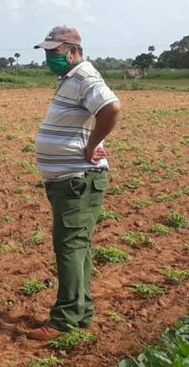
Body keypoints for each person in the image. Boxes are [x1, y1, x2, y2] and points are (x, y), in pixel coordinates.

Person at [27, 26, 121, 340]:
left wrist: (94, 142)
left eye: (54, 52)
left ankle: (64, 319)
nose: (49, 58)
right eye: (46, 52)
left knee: (68, 247)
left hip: (77, 180)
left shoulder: (84, 77)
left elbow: (111, 107)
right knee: (78, 246)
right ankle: (81, 312)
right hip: (69, 179)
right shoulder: (71, 78)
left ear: (72, 50)